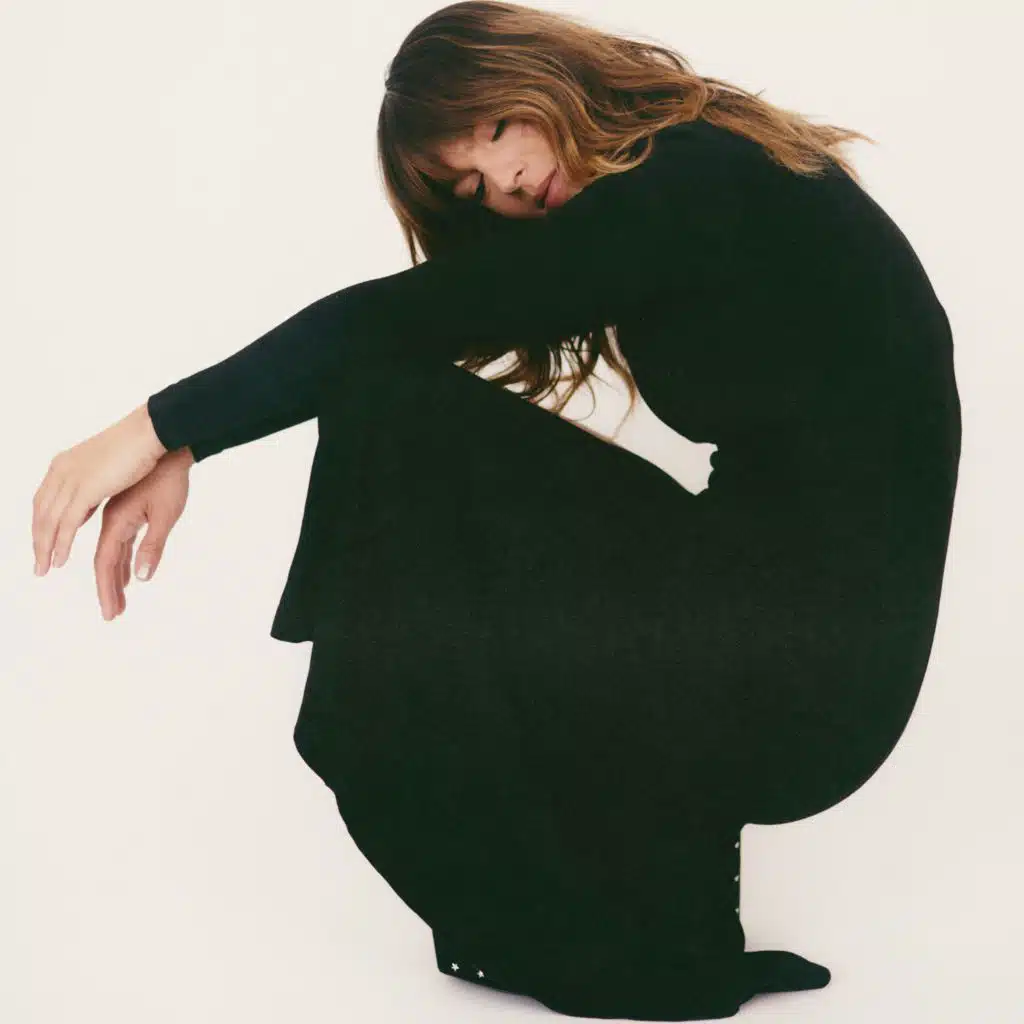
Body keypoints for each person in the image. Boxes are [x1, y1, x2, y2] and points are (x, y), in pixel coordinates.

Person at [30, 2, 962, 1019]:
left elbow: (383, 327)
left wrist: (158, 429)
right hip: (800, 640)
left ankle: (589, 907)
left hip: (800, 667)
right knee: (397, 397)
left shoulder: (690, 180)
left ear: (541, 74)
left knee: (393, 401)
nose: (506, 181)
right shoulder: (703, 164)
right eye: (470, 188)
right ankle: (671, 932)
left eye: (496, 130)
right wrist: (187, 439)